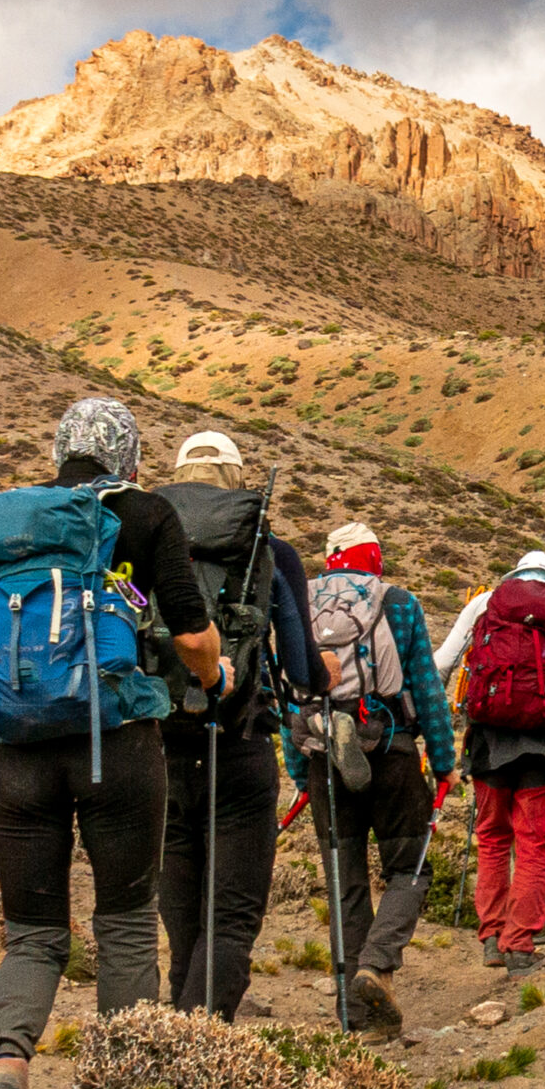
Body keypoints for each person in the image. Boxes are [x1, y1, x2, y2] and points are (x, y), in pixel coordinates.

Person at [0, 399, 228, 1089]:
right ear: (128, 456)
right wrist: (212, 673)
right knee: (126, 921)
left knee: (33, 933)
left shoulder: (7, 525)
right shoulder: (148, 514)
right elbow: (194, 635)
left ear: (61, 449)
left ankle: (4, 1066)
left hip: (11, 754)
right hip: (118, 747)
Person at [151, 429, 320, 1023]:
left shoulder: (142, 541)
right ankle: (195, 1050)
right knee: (231, 918)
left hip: (158, 748)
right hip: (239, 746)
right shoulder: (268, 550)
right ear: (238, 480)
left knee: (182, 919)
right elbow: (303, 670)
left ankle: (168, 1047)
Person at [292, 521, 455, 1040]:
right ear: (374, 558)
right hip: (391, 751)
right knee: (411, 867)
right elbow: (426, 687)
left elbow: (288, 692)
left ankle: (353, 1016)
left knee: (345, 883)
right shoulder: (398, 602)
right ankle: (377, 965)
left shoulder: (302, 603)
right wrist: (445, 759)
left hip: (321, 752)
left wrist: (299, 770)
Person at [435, 552, 545, 971]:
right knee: (534, 844)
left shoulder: (485, 603)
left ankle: (492, 937)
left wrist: (438, 725)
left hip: (487, 737)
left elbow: (441, 662)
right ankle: (520, 944)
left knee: (493, 840)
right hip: (540, 743)